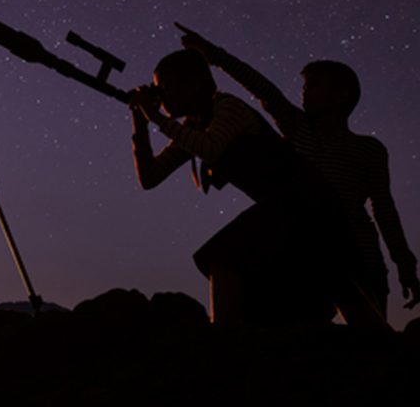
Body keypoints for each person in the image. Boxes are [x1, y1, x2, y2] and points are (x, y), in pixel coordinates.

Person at [174, 24, 419, 319]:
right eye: (304, 86)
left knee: (372, 339)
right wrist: (213, 55)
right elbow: (264, 89)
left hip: (360, 253)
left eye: (314, 85)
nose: (304, 92)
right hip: (306, 251)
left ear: (341, 96)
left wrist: (404, 264)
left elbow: (383, 207)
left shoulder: (369, 149)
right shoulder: (297, 128)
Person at [129, 48, 360, 325]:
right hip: (291, 211)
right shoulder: (195, 127)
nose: (160, 96)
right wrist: (140, 125)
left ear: (195, 84)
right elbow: (151, 177)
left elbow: (211, 149)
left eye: (164, 87)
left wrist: (156, 118)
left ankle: (224, 343)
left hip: (307, 204)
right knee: (333, 290)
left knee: (223, 257)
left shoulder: (228, 107)